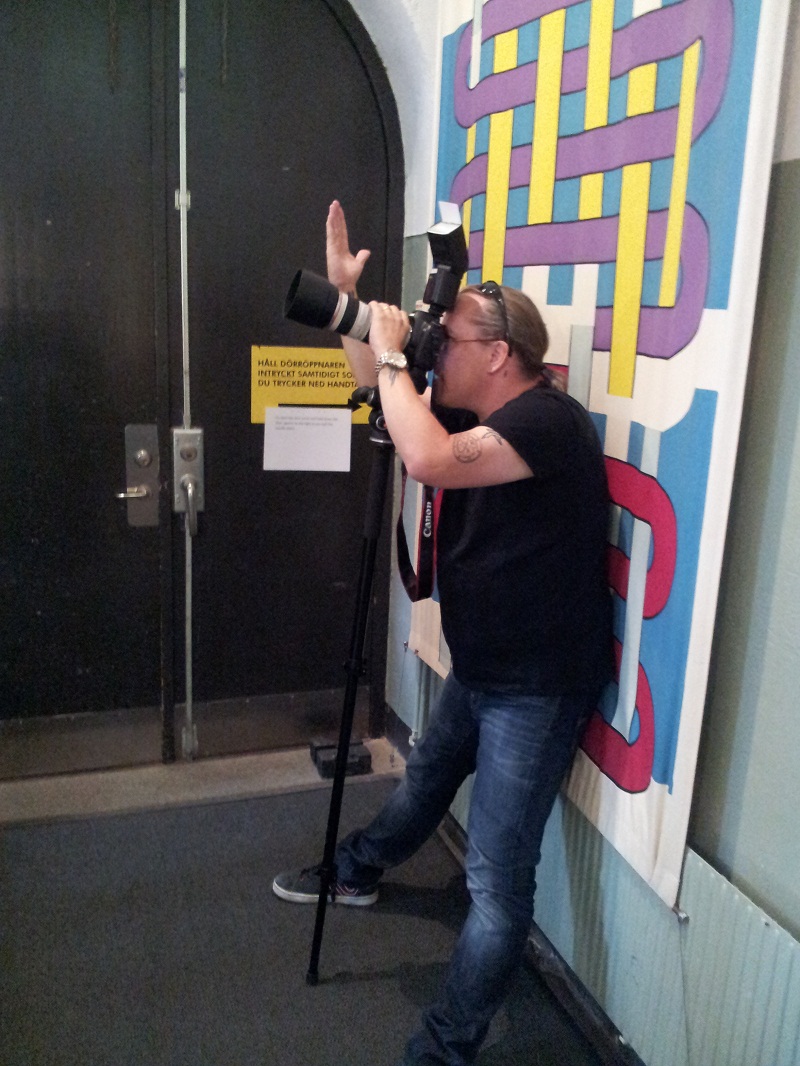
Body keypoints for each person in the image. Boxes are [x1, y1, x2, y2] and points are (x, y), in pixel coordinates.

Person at [273, 201, 612, 1066]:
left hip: (537, 686)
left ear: (499, 353)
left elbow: (421, 457)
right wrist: (353, 313)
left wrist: (393, 354)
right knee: (426, 779)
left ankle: (446, 1047)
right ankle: (356, 870)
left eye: (445, 339)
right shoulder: (469, 411)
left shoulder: (547, 422)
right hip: (484, 665)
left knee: (496, 880)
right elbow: (379, 397)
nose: (430, 351)